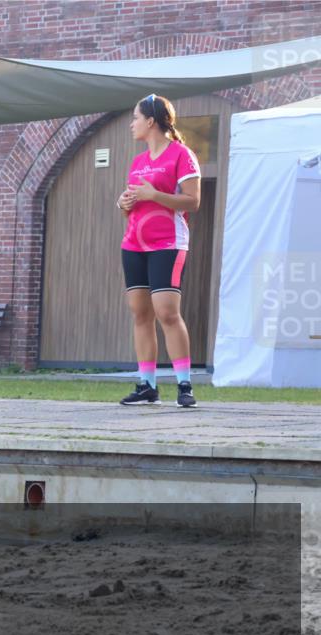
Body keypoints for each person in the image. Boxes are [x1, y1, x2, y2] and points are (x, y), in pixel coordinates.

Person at [116, 94, 201, 408]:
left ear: (151, 121)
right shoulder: (138, 162)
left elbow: (193, 201)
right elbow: (134, 204)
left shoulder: (182, 154)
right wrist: (124, 203)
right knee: (140, 313)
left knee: (167, 312)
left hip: (168, 243)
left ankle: (184, 385)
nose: (132, 124)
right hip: (133, 244)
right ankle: (147, 385)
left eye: (136, 118)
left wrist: (154, 195)